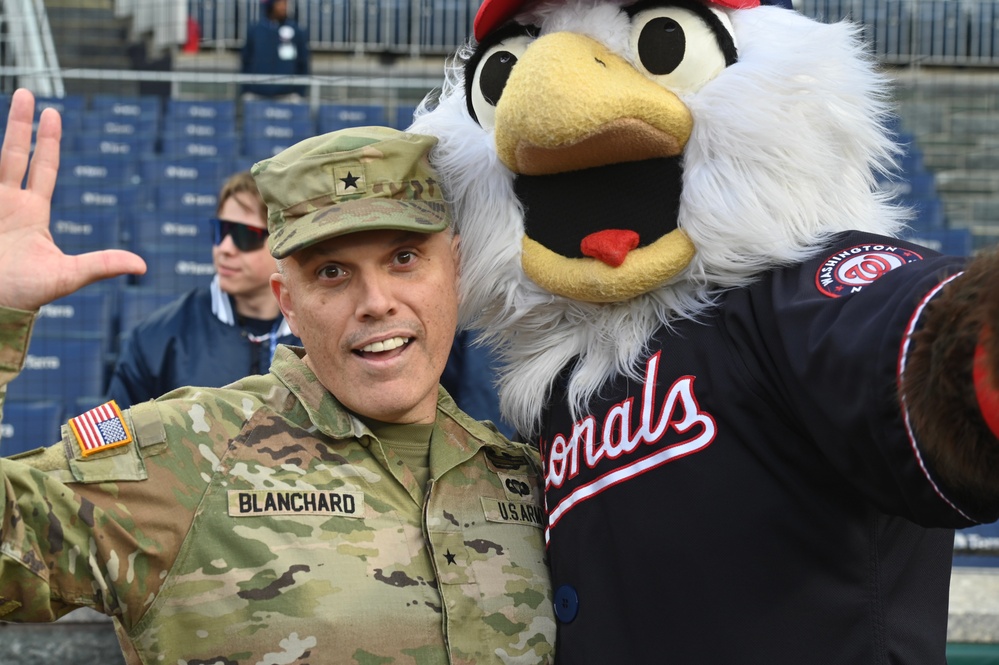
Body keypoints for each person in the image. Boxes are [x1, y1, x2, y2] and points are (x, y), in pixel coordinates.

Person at [0, 89, 555, 664]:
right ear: (287, 303)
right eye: (333, 272)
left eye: (404, 258)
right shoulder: (190, 457)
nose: (376, 302)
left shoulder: (524, 481)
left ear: (457, 269)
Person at [106, 171, 300, 409]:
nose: (225, 248)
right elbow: (112, 438)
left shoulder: (319, 334)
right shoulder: (157, 339)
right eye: (222, 231)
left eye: (244, 236)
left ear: (284, 243)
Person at [240, 0, 310, 101]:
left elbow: (303, 62)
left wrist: (300, 92)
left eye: (285, 3)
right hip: (257, 94)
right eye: (280, 3)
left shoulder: (296, 31)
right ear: (271, 5)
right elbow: (245, 61)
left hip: (288, 95)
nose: (284, 7)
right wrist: (246, 90)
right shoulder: (255, 30)